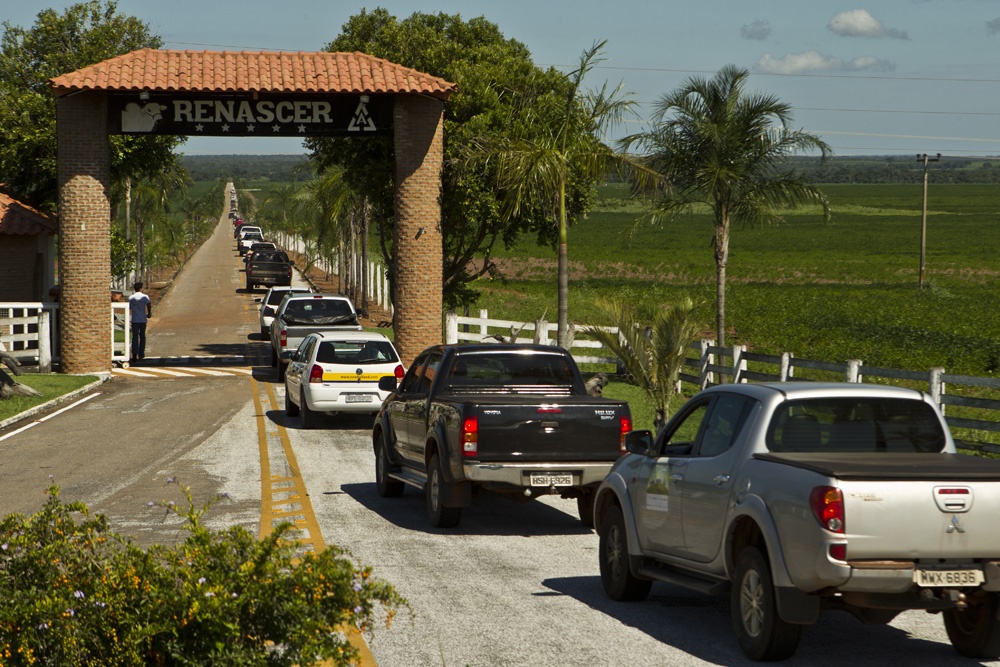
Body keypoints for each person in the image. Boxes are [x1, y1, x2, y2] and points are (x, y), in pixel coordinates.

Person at [128, 282, 152, 362]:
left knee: (134, 337)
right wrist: (149, 313)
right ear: (141, 288)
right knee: (142, 336)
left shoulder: (131, 297)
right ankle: (141, 353)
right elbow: (149, 304)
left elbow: (129, 308)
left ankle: (134, 353)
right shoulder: (145, 297)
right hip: (142, 320)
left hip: (134, 320)